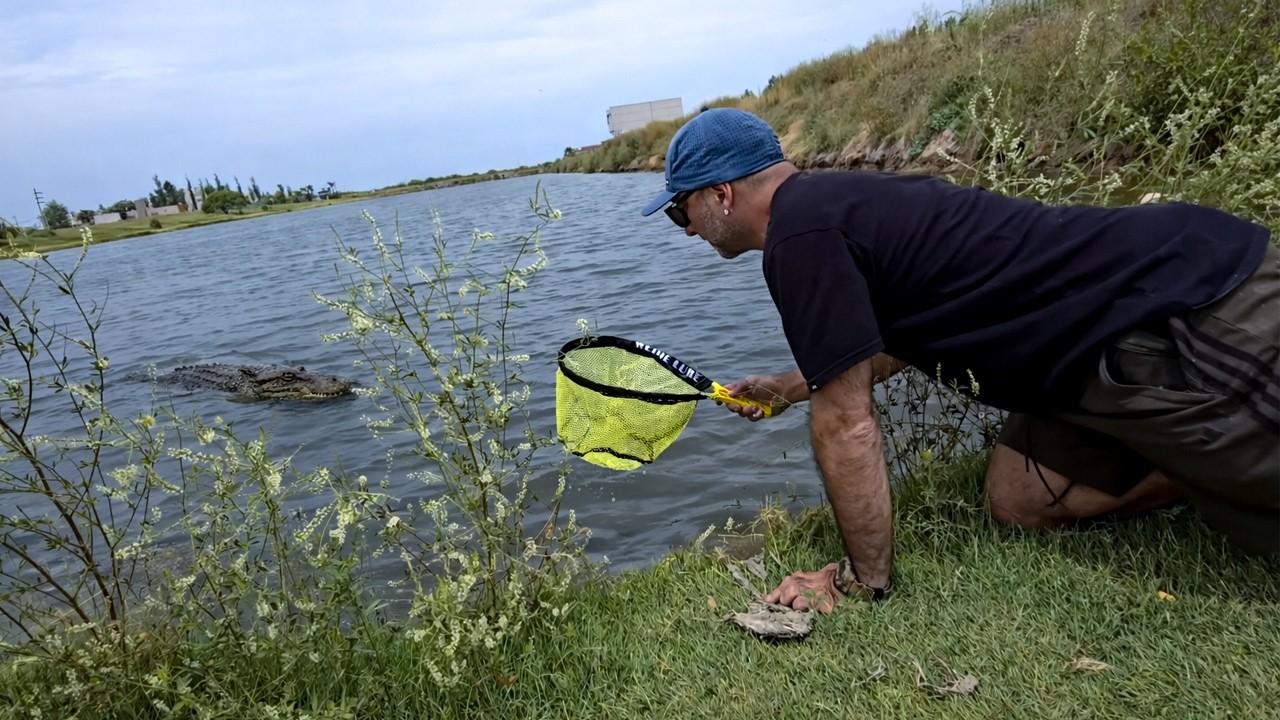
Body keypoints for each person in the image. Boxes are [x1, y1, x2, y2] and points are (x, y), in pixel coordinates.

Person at [640, 107, 1279, 612]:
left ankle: (1220, 469)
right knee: (1019, 498)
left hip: (1191, 309)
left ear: (721, 194)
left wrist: (865, 581)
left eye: (680, 210)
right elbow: (898, 337)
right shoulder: (833, 204)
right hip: (1080, 366)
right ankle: (1194, 469)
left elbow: (848, 425)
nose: (687, 228)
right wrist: (792, 385)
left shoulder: (801, 238)